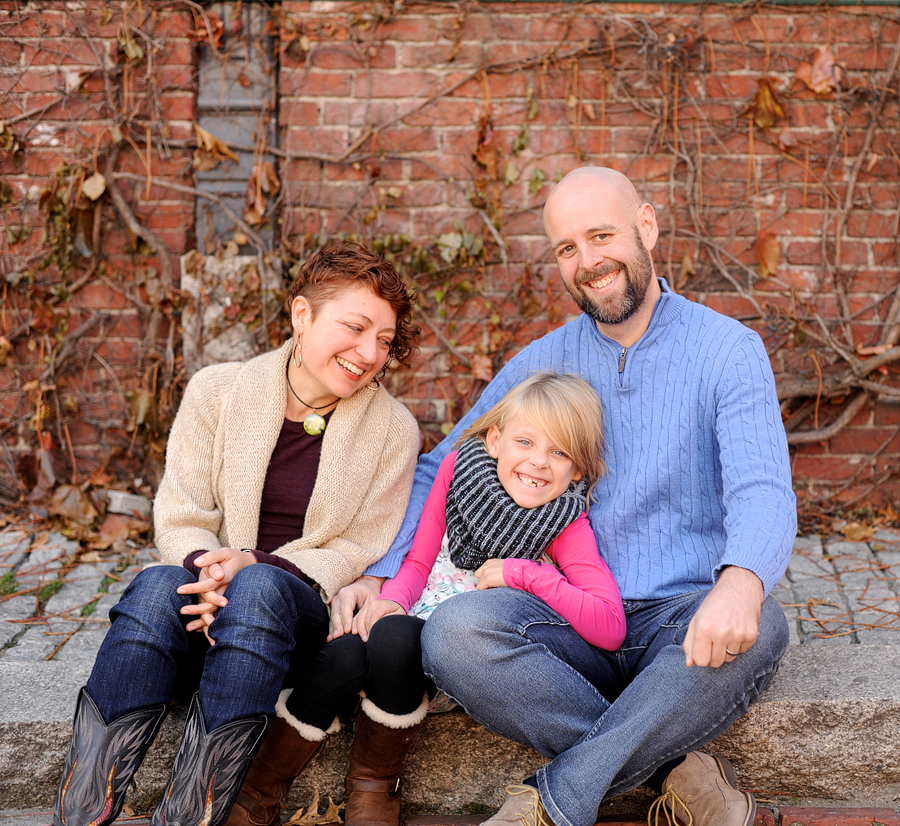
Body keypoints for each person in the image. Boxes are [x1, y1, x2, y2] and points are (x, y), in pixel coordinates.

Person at [374, 167, 797, 826]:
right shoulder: (541, 365)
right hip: (566, 617)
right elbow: (440, 468)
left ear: (646, 227)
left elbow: (762, 484)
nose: (588, 261)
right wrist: (380, 575)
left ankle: (550, 803)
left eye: (602, 235)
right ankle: (675, 771)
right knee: (456, 634)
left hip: (681, 624)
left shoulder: (726, 351)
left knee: (764, 623)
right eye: (567, 248)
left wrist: (741, 582)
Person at [52, 242, 421, 826]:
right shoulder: (217, 391)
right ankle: (81, 815)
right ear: (302, 315)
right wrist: (211, 567)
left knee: (260, 591)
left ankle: (192, 816)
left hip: (291, 623)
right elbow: (180, 510)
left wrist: (252, 565)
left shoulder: (393, 430)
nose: (368, 352)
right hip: (205, 601)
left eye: (383, 338)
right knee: (153, 589)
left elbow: (360, 546)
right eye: (354, 328)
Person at [230, 371, 626, 826]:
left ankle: (374, 785)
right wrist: (392, 599)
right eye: (526, 442)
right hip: (412, 615)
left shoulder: (565, 523)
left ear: (577, 469)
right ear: (495, 440)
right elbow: (419, 563)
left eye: (559, 452)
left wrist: (528, 574)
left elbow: (611, 626)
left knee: (396, 637)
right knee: (346, 652)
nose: (538, 463)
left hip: (457, 653)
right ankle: (258, 793)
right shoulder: (458, 473)